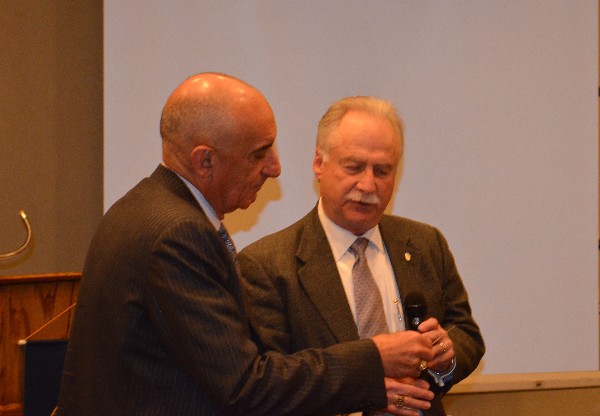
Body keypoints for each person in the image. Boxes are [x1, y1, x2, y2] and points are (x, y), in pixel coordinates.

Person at [55, 74, 438, 416]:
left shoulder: (140, 207)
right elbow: (245, 388)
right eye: (259, 154)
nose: (275, 168)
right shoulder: (178, 235)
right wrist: (374, 357)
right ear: (205, 161)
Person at [239, 96, 485, 416]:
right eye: (354, 167)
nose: (367, 184)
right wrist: (366, 388)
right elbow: (271, 380)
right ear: (319, 163)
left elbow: (466, 334)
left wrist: (445, 358)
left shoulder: (425, 244)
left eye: (382, 170)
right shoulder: (267, 265)